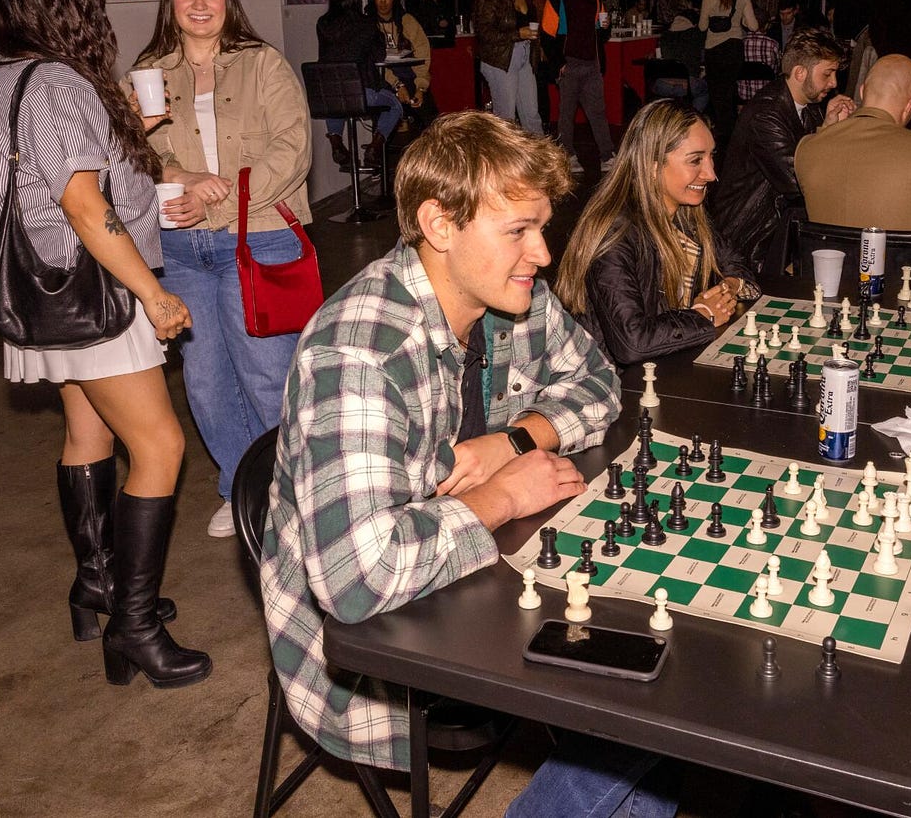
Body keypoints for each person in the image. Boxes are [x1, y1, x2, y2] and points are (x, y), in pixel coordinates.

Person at [260, 111, 676, 816]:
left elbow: (603, 385)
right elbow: (357, 582)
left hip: (482, 576)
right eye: (518, 230)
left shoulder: (511, 296)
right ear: (439, 224)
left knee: (662, 656)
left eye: (542, 228)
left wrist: (516, 441)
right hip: (380, 653)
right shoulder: (359, 356)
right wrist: (502, 499)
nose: (543, 255)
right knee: (646, 708)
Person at [0, 0, 209, 687]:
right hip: (93, 288)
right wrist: (155, 293)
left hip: (48, 293)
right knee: (161, 447)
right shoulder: (57, 81)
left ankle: (97, 584)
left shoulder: (10, 77)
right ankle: (133, 628)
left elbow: (54, 177)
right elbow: (80, 202)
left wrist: (130, 133)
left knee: (86, 429)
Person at [134, 0, 312, 539]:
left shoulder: (263, 64)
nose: (200, 3)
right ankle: (244, 485)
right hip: (183, 248)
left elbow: (292, 150)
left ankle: (295, 491)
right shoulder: (150, 72)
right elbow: (134, 154)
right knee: (206, 382)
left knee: (266, 375)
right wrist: (176, 176)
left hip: (256, 238)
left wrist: (218, 197)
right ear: (171, 2)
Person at [557, 100, 760, 365]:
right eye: (696, 160)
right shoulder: (615, 234)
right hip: (608, 385)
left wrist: (726, 289)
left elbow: (737, 265)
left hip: (663, 366)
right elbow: (632, 343)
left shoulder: (687, 213)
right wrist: (702, 315)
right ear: (653, 166)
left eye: (711, 157)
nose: (711, 174)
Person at [710, 27, 853, 278]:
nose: (834, 84)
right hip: (748, 236)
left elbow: (809, 158)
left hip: (779, 225)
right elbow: (798, 181)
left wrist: (828, 127)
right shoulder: (766, 114)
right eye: (828, 74)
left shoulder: (808, 107)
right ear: (800, 73)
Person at [796, 56, 911, 246]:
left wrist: (827, 131)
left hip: (822, 273)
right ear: (910, 106)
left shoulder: (807, 148)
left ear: (862, 91)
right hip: (900, 272)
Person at [541, 0, 616, 173]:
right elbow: (547, 36)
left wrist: (605, 27)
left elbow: (602, 35)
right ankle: (568, 155)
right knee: (566, 114)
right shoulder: (555, 2)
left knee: (598, 112)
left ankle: (607, 155)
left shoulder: (595, 0)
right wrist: (559, 63)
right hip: (569, 65)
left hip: (591, 64)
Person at [316, 0, 402, 169]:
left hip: (328, 96)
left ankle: (336, 139)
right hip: (362, 93)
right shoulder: (367, 24)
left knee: (338, 99)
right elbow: (380, 55)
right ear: (357, 1)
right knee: (396, 105)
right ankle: (375, 146)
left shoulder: (322, 24)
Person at [475, 0, 544, 135]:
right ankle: (503, 162)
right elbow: (484, 32)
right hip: (501, 59)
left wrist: (536, 45)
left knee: (531, 114)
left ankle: (539, 160)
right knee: (506, 119)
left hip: (523, 55)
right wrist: (516, 33)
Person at [698, 0, 758, 148]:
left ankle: (723, 138)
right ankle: (734, 139)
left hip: (714, 51)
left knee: (718, 97)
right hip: (734, 50)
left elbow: (702, 27)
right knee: (730, 93)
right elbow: (754, 25)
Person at [366, 0, 433, 130]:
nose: (382, 0)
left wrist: (421, 88)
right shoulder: (367, 24)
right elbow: (372, 60)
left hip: (410, 77)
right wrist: (397, 85)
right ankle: (377, 149)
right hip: (383, 79)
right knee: (385, 108)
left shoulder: (407, 21)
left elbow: (423, 53)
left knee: (431, 118)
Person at [653, 0, 709, 112]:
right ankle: (691, 119)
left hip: (662, 83)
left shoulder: (665, 37)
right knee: (706, 90)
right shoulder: (695, 35)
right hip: (686, 83)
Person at [737, 16, 781, 101]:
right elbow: (776, 69)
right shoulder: (773, 44)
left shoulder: (739, 44)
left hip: (744, 95)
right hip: (766, 95)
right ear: (766, 26)